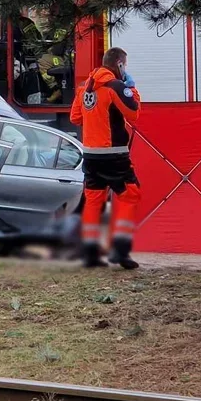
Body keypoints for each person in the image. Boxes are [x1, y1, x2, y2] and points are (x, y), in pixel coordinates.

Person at [70, 46, 141, 269]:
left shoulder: (85, 87)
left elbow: (75, 118)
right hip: (114, 155)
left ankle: (90, 254)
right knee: (131, 195)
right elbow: (134, 113)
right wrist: (132, 89)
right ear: (119, 64)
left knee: (93, 200)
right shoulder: (115, 86)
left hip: (90, 154)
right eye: (124, 65)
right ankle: (120, 251)